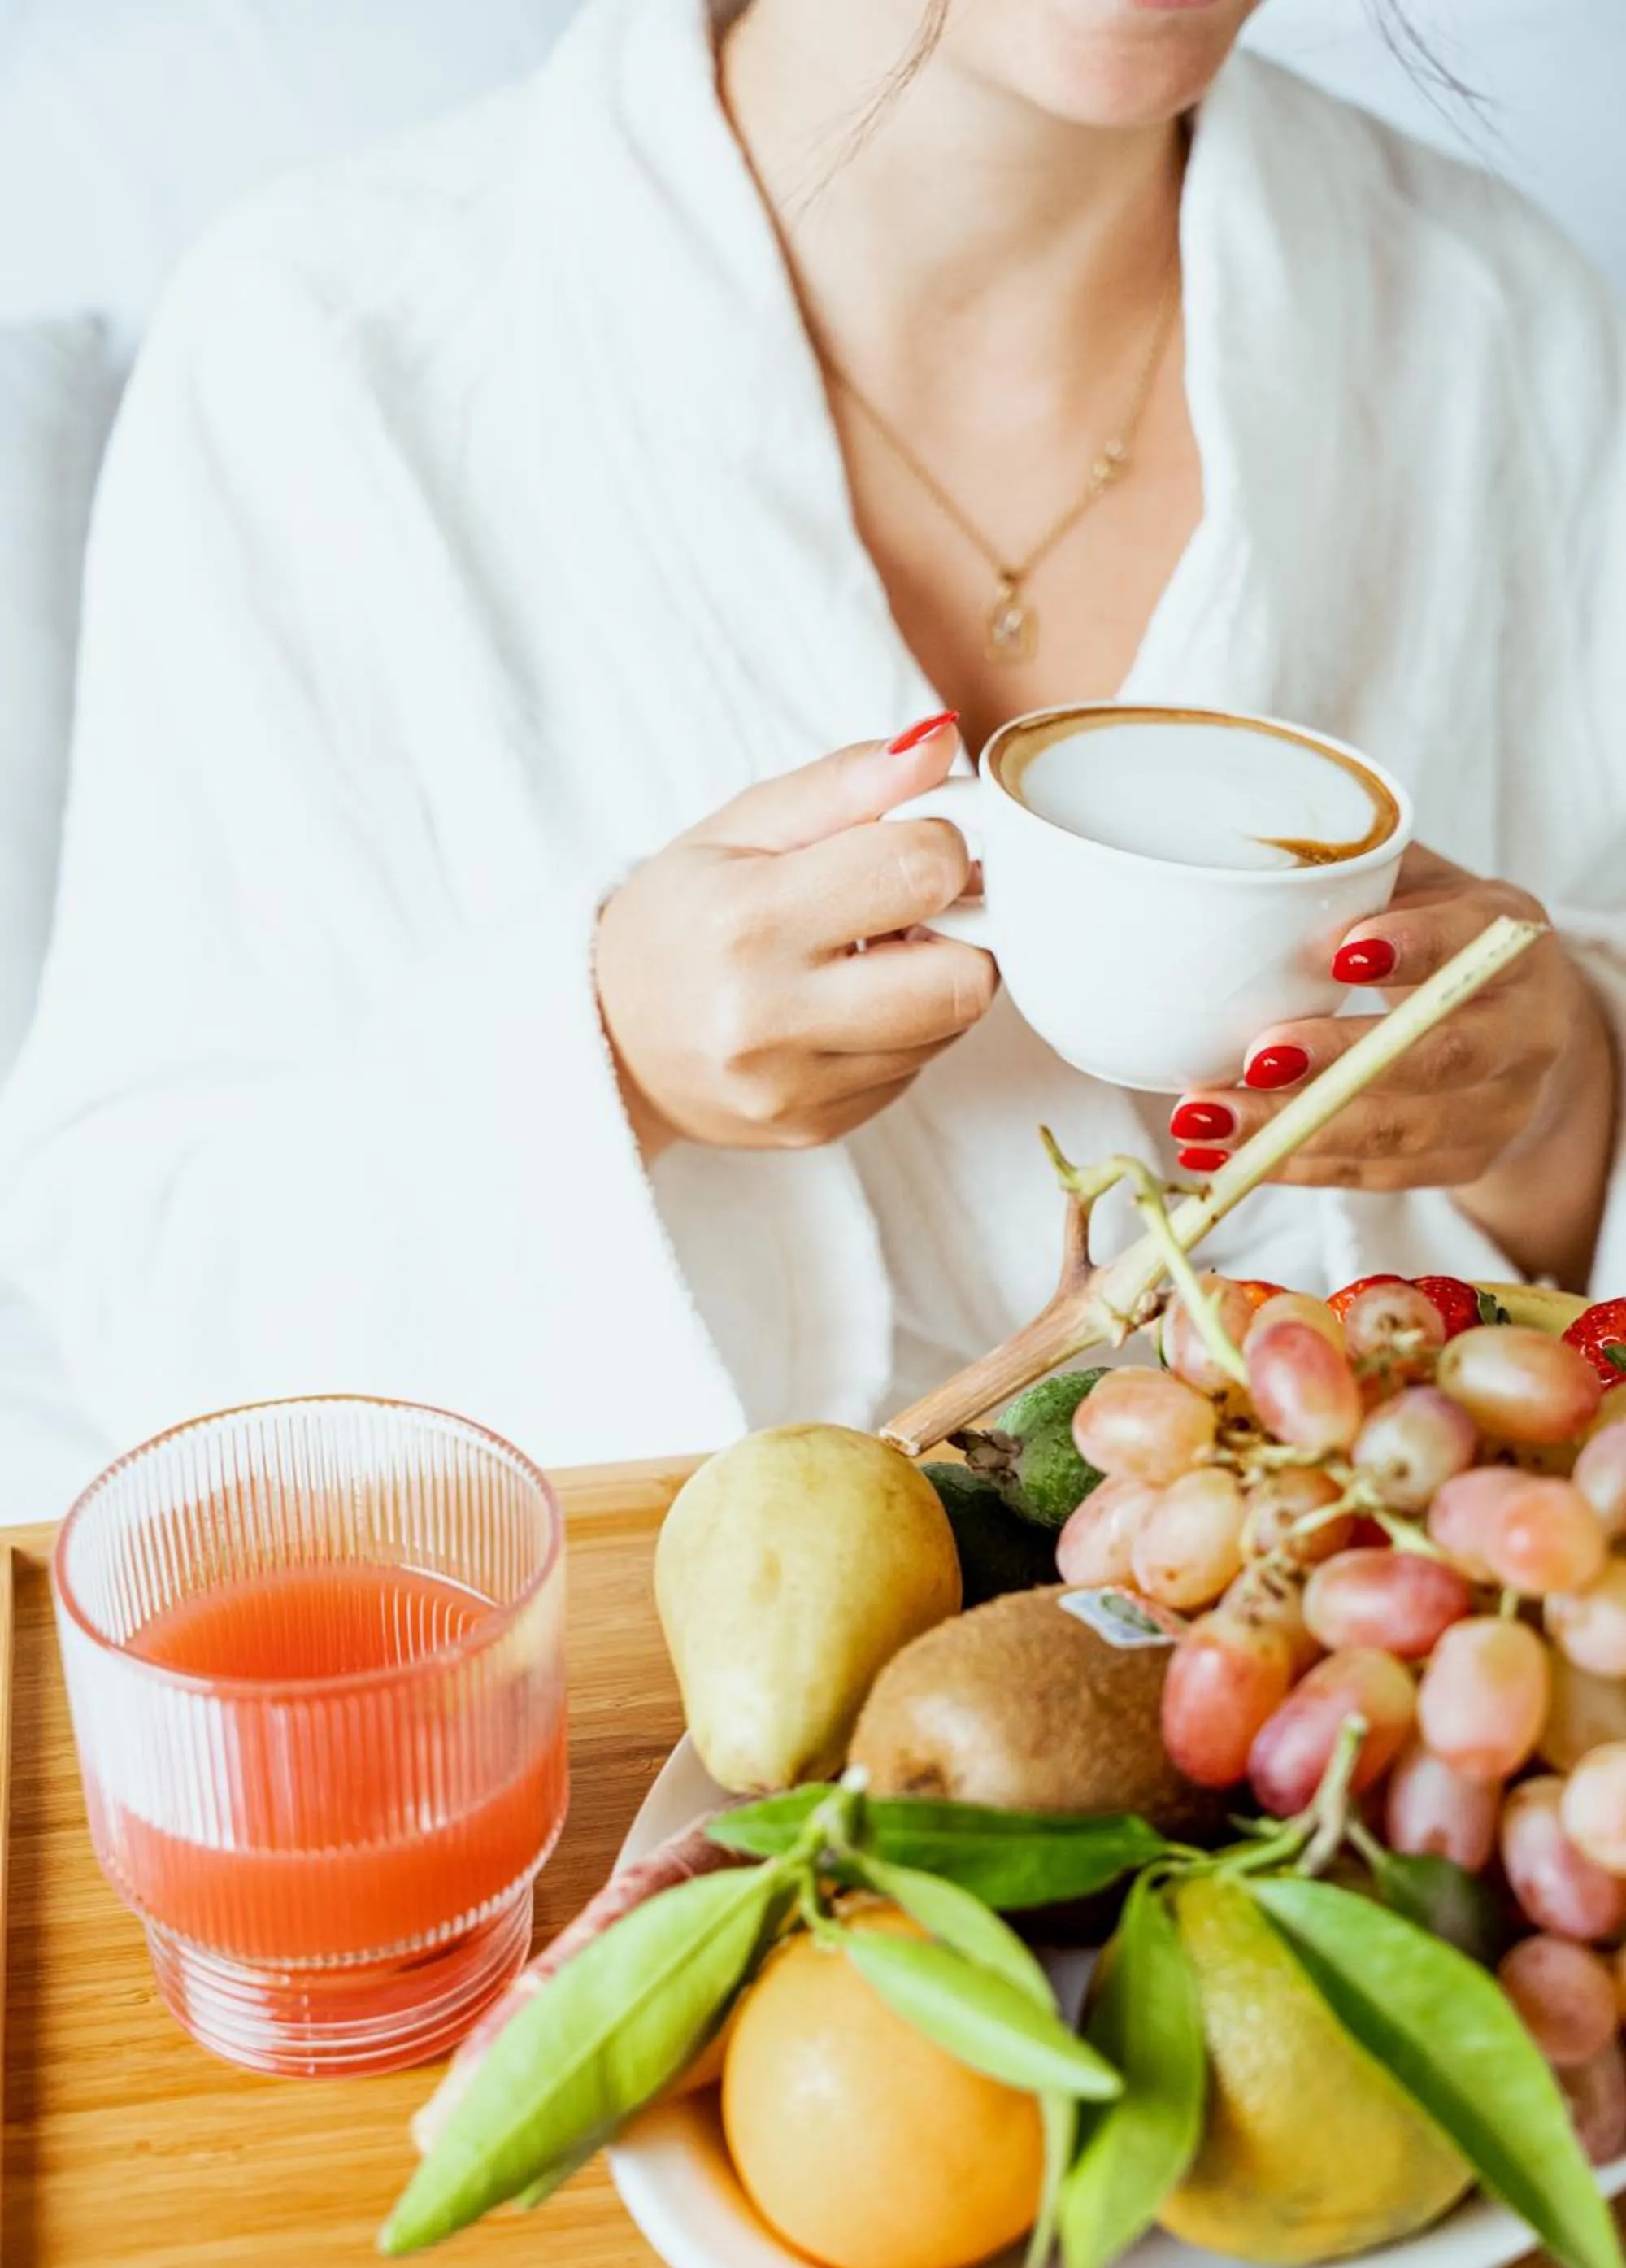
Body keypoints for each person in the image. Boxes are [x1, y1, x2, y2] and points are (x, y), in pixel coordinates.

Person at [2, 0, 1624, 1487]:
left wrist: (1552, 1098)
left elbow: (1568, 1197)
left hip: (1339, 1735)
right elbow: (142, 1289)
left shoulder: (1498, 326)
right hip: (632, 1746)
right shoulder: (328, 356)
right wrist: (605, 1062)